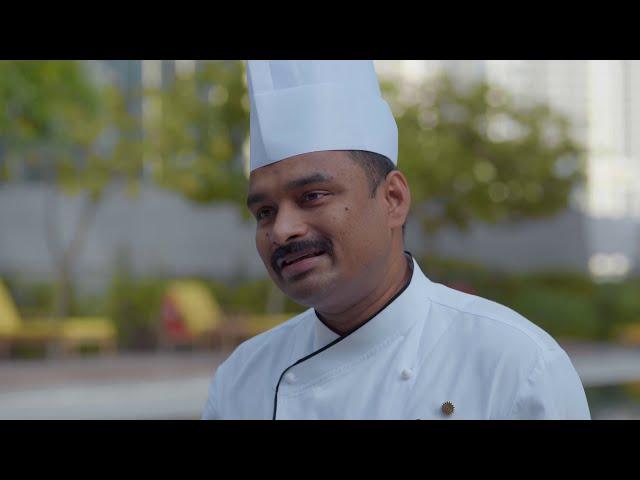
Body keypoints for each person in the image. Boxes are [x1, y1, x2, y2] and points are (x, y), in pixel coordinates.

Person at [202, 60, 590, 420]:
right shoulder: (241, 378)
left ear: (394, 199)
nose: (283, 230)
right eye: (264, 212)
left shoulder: (517, 364)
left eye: (312, 196)